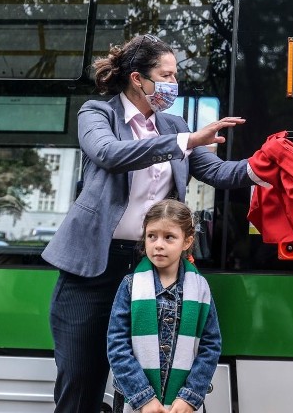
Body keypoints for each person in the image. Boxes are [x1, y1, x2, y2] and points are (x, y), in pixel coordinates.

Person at [42, 34, 257, 413]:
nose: (174, 84)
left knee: (150, 383)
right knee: (80, 379)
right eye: (167, 75)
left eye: (176, 76)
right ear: (138, 79)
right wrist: (184, 140)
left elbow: (220, 172)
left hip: (152, 268)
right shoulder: (97, 114)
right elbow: (109, 153)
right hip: (93, 268)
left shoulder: (173, 123)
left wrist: (272, 165)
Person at [107, 199, 220, 413]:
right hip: (135, 402)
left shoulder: (200, 288)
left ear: (187, 241)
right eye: (152, 236)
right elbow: (117, 345)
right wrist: (144, 398)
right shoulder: (130, 286)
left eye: (169, 237)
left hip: (182, 403)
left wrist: (190, 396)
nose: (158, 244)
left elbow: (211, 345)